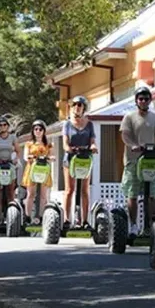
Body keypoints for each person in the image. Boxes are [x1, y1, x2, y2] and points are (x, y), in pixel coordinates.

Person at [120, 86, 155, 237]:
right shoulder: (129, 117)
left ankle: (152, 227)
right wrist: (133, 145)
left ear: (150, 100)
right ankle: (133, 225)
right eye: (141, 98)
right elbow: (125, 135)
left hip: (150, 160)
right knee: (132, 194)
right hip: (133, 160)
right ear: (136, 101)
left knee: (152, 195)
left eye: (146, 98)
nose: (143, 101)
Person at [62, 96, 99, 229]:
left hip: (84, 159)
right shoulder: (67, 124)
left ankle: (84, 221)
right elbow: (65, 144)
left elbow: (93, 142)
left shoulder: (89, 124)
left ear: (84, 108)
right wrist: (69, 149)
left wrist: (93, 147)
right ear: (71, 107)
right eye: (75, 105)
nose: (77, 107)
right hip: (70, 159)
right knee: (70, 190)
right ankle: (66, 219)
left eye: (80, 105)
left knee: (84, 190)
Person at [21, 120, 54, 223]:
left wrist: (52, 158)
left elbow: (52, 155)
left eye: (40, 129)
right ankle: (27, 217)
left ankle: (41, 217)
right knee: (30, 194)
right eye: (36, 129)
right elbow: (26, 156)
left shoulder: (48, 144)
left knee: (43, 195)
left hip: (43, 170)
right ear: (33, 131)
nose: (38, 131)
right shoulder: (29, 144)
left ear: (44, 131)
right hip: (32, 169)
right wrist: (29, 157)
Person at [0, 117, 19, 218]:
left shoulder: (13, 137)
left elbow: (18, 151)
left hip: (9, 164)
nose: (2, 127)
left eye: (4, 125)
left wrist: (15, 159)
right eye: (0, 125)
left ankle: (12, 216)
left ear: (8, 126)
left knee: (10, 192)